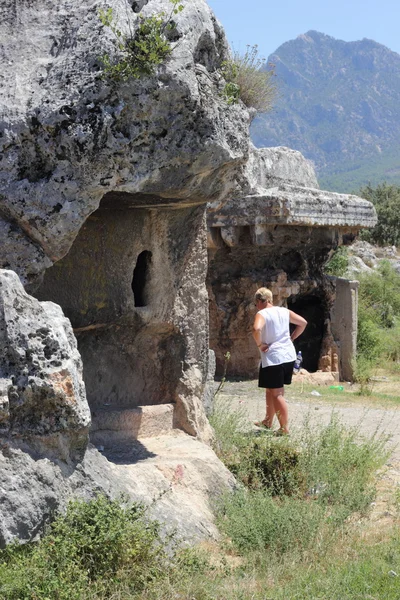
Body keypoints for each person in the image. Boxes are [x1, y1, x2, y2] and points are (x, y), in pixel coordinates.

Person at [252, 287, 307, 435]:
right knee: (270, 389)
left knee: (277, 393)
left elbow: (256, 329)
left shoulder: (262, 313)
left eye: (255, 303)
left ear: (259, 301)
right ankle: (268, 421)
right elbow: (302, 323)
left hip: (273, 357)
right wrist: (292, 337)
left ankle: (284, 429)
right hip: (288, 355)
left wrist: (260, 344)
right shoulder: (283, 311)